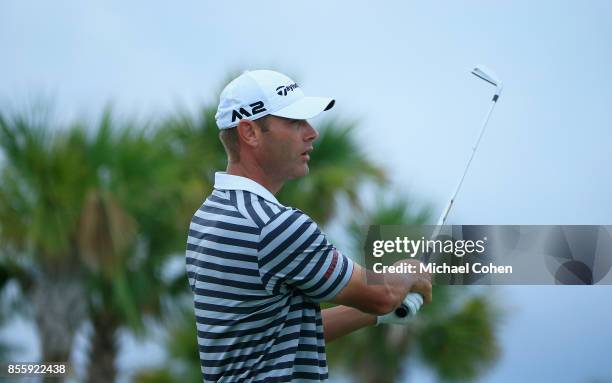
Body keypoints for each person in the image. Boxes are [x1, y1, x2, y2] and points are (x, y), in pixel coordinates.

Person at [185, 69, 432, 383]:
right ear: (250, 133)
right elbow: (382, 293)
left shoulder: (209, 216)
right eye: (294, 122)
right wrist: (408, 274)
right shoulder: (275, 226)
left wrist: (379, 311)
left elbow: (280, 334)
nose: (311, 132)